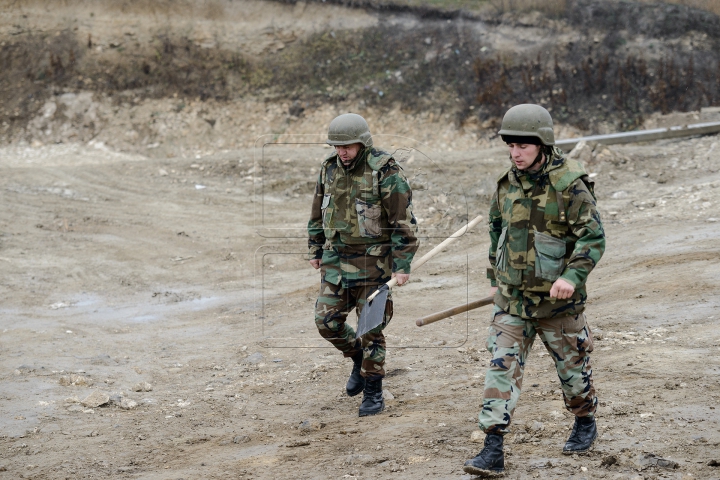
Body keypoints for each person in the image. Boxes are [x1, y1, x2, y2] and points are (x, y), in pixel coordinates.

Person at [463, 104, 606, 476]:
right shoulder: (507, 184)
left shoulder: (570, 184)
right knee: (500, 369)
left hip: (558, 306)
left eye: (523, 146)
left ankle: (585, 420)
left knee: (573, 373)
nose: (515, 153)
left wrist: (571, 277)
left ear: (542, 144)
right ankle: (492, 448)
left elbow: (592, 238)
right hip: (512, 303)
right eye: (510, 145)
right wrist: (499, 273)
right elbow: (497, 229)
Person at [308, 113, 419, 417]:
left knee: (371, 330)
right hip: (336, 262)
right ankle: (358, 358)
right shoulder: (329, 168)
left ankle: (373, 390)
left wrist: (402, 262)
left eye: (348, 146)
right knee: (326, 322)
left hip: (375, 265)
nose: (341, 152)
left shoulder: (385, 170)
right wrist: (315, 246)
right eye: (337, 146)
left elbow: (403, 221)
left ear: (362, 143)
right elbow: (318, 210)